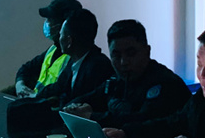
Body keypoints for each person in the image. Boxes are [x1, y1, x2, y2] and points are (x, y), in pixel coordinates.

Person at [62, 19, 190, 127]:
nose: (123, 62)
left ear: (147, 51)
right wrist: (74, 108)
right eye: (116, 55)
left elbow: (141, 121)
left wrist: (91, 116)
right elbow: (91, 97)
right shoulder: (117, 80)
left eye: (131, 54)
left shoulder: (166, 83)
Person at [35, 8, 116, 106]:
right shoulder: (73, 61)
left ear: (69, 41)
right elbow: (59, 87)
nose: (59, 39)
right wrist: (34, 96)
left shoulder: (98, 67)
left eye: (61, 35)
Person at [13, 0, 82, 97]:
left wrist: (35, 97)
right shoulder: (53, 49)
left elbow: (61, 89)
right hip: (35, 100)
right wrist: (20, 85)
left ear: (63, 25)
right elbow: (27, 68)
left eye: (50, 19)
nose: (46, 23)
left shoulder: (73, 57)